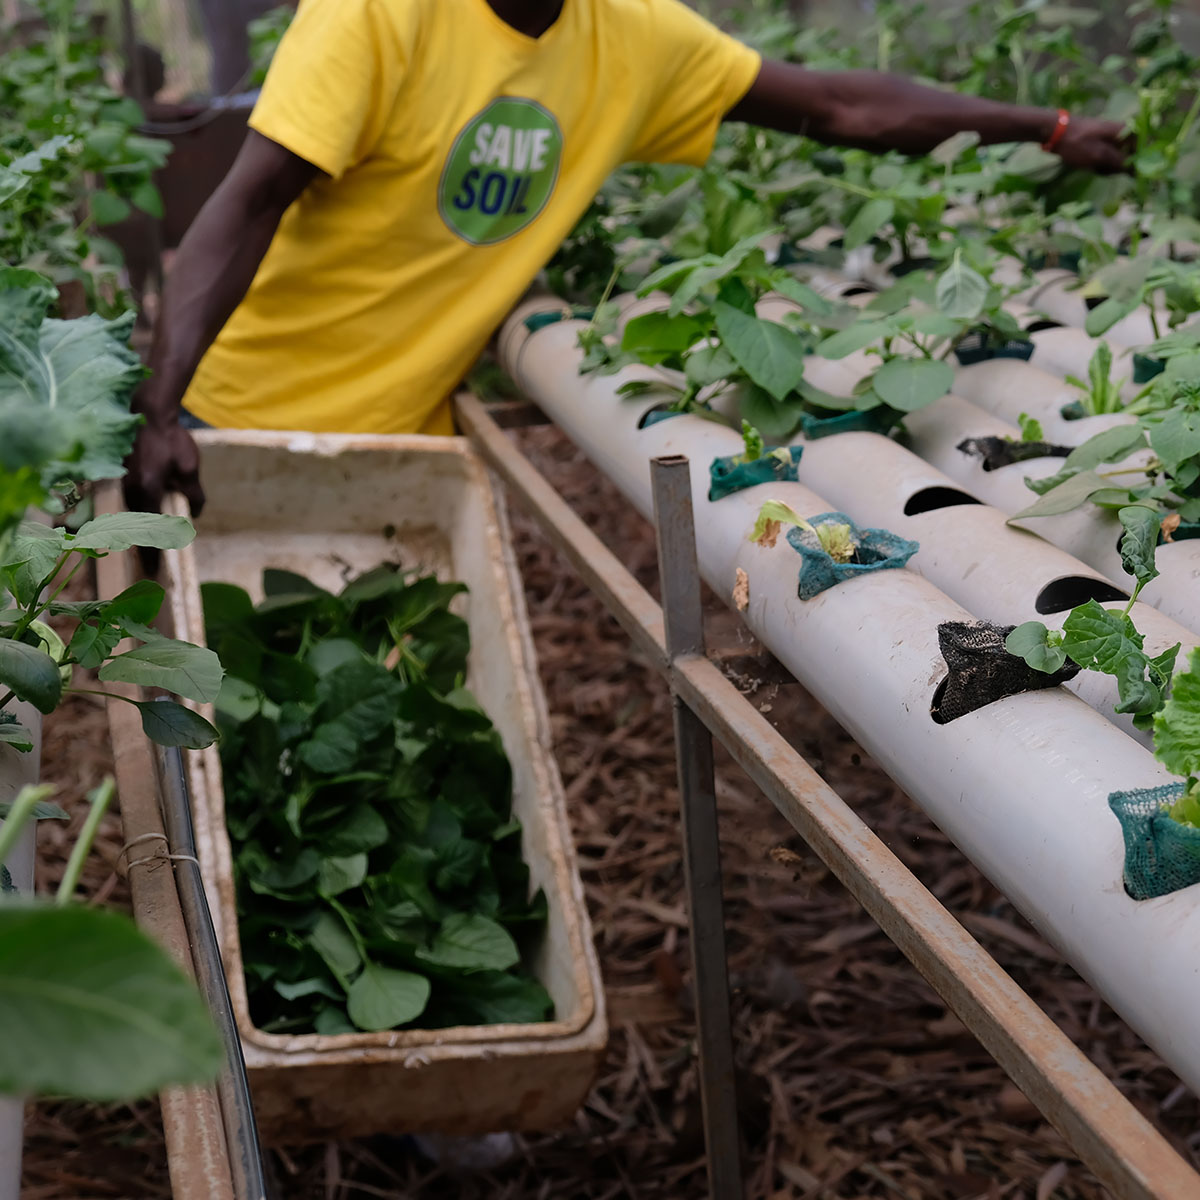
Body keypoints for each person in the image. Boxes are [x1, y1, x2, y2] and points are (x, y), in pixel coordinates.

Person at [124, 0, 1129, 516]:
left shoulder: (630, 34)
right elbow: (243, 203)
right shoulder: (381, 15)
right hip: (232, 430)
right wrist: (162, 409)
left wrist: (1046, 125)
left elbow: (840, 107)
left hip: (405, 445)